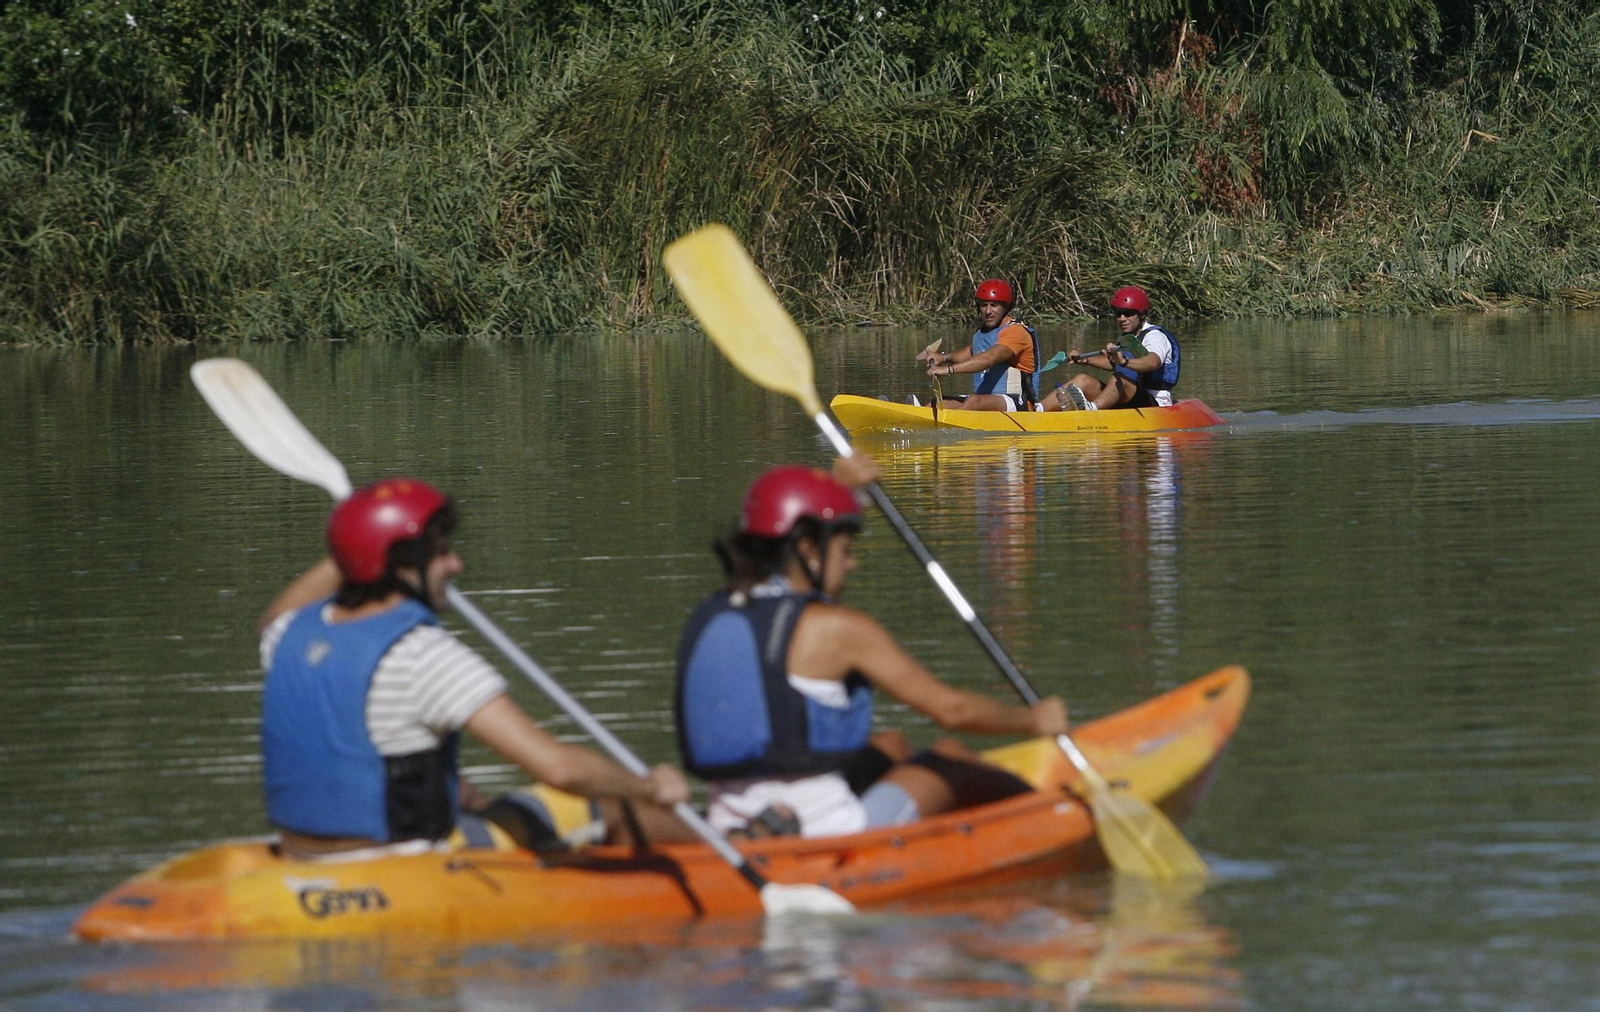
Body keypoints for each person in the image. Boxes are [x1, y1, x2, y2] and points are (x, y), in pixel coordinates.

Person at [257, 477, 689, 860]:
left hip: (302, 854)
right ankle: (744, 854)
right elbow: (561, 770)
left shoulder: (288, 637)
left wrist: (361, 535)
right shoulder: (422, 654)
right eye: (440, 554)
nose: (455, 565)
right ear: (402, 563)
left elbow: (277, 615)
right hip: (406, 864)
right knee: (611, 805)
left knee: (471, 795)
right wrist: (651, 786)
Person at [674, 456, 1070, 839]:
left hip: (732, 823)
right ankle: (1052, 820)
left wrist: (838, 490)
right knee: (950, 757)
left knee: (891, 745)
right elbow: (952, 710)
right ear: (809, 551)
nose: (851, 564)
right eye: (845, 551)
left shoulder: (716, 610)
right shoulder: (839, 629)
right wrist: (1036, 721)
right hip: (826, 834)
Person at [1046, 285, 1180, 411]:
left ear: (1142, 315)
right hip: (1130, 396)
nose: (1122, 318)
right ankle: (1037, 410)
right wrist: (1085, 360)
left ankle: (1091, 410)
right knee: (1082, 380)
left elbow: (1153, 362)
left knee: (1119, 378)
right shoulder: (1128, 336)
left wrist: (1124, 362)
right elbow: (1113, 363)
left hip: (1155, 402)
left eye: (1128, 313)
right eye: (1118, 313)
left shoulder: (1155, 336)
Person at [917, 279, 1042, 412]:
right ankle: (921, 418)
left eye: (994, 305)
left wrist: (948, 369)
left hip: (1019, 403)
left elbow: (988, 359)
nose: (988, 311)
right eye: (983, 305)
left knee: (974, 401)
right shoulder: (985, 331)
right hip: (985, 400)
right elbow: (973, 351)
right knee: (937, 403)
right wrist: (944, 358)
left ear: (1006, 307)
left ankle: (950, 427)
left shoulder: (1015, 332)